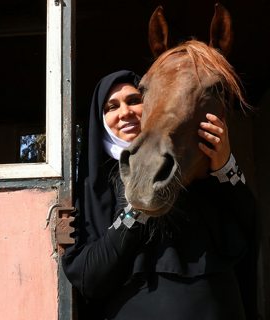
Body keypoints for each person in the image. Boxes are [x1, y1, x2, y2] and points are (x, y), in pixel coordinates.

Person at [62, 70, 255, 319]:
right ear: (101, 120)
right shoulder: (94, 188)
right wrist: (138, 205)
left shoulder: (192, 165)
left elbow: (245, 234)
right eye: (112, 107)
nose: (125, 113)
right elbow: (90, 277)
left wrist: (225, 164)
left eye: (134, 101)